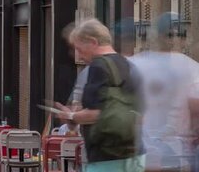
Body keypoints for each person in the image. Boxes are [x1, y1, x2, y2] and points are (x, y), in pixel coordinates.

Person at [56, 18, 145, 172]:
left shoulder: (97, 67)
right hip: (134, 155)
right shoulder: (129, 66)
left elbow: (96, 113)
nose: (79, 56)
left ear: (93, 42)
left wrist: (70, 116)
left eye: (79, 48)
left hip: (106, 158)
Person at [129, 12, 199, 171]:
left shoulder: (134, 64)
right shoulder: (189, 66)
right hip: (175, 153)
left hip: (139, 152)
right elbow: (196, 106)